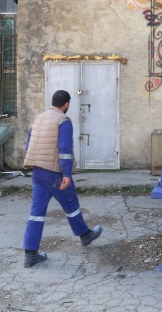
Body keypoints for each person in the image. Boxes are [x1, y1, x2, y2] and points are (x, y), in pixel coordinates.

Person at [21, 90, 102, 268]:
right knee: (71, 204)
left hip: (38, 172)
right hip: (55, 174)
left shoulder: (39, 118)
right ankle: (85, 235)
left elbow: (29, 145)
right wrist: (66, 174)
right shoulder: (63, 121)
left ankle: (30, 255)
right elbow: (64, 149)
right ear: (66, 104)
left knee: (36, 213)